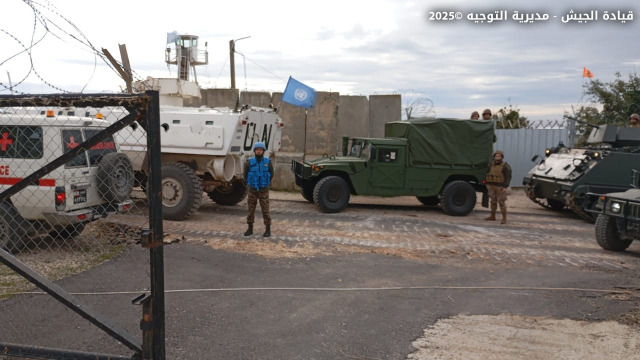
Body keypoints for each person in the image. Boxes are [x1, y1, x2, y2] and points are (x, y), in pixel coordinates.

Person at [243, 142, 274, 237]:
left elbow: (271, 174)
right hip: (252, 190)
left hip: (263, 190)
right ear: (255, 151)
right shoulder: (249, 162)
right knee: (250, 210)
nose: (259, 151)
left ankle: (268, 229)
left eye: (261, 150)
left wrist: (265, 183)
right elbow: (245, 175)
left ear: (263, 151)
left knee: (265, 210)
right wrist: (250, 184)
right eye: (257, 150)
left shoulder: (268, 162)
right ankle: (250, 228)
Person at [484, 150, 512, 224]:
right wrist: (487, 183)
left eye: (499, 156)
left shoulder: (505, 166)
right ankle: (492, 216)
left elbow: (508, 177)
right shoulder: (491, 165)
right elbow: (487, 173)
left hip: (500, 187)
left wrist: (505, 187)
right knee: (493, 201)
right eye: (496, 156)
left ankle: (504, 218)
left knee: (501, 202)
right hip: (491, 186)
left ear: (502, 157)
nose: (497, 157)